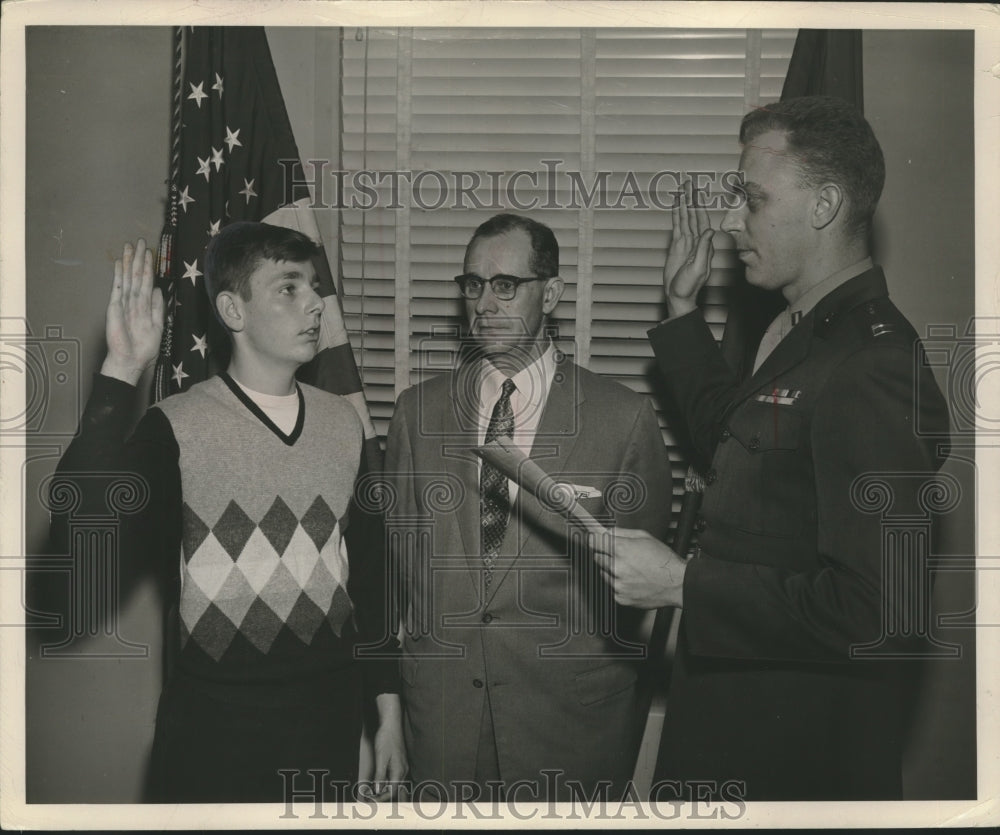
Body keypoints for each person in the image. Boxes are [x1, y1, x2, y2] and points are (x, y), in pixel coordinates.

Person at [595, 96, 950, 800]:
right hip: (735, 726)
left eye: (753, 200)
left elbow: (883, 612)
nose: (732, 221)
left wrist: (683, 584)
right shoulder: (802, 329)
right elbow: (741, 445)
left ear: (824, 205)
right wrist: (682, 311)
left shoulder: (870, 363)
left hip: (793, 762)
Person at [51, 223, 406, 802]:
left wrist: (388, 712)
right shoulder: (176, 426)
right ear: (232, 310)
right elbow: (81, 529)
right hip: (213, 731)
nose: (316, 302)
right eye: (289, 287)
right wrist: (121, 369)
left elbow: (371, 575)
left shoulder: (344, 423)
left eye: (314, 286)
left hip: (328, 722)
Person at [383, 213, 672, 801]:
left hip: (570, 731)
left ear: (553, 293)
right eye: (474, 284)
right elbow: (399, 569)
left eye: (506, 285)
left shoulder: (622, 418)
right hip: (444, 726)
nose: (485, 303)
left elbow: (643, 597)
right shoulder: (417, 413)